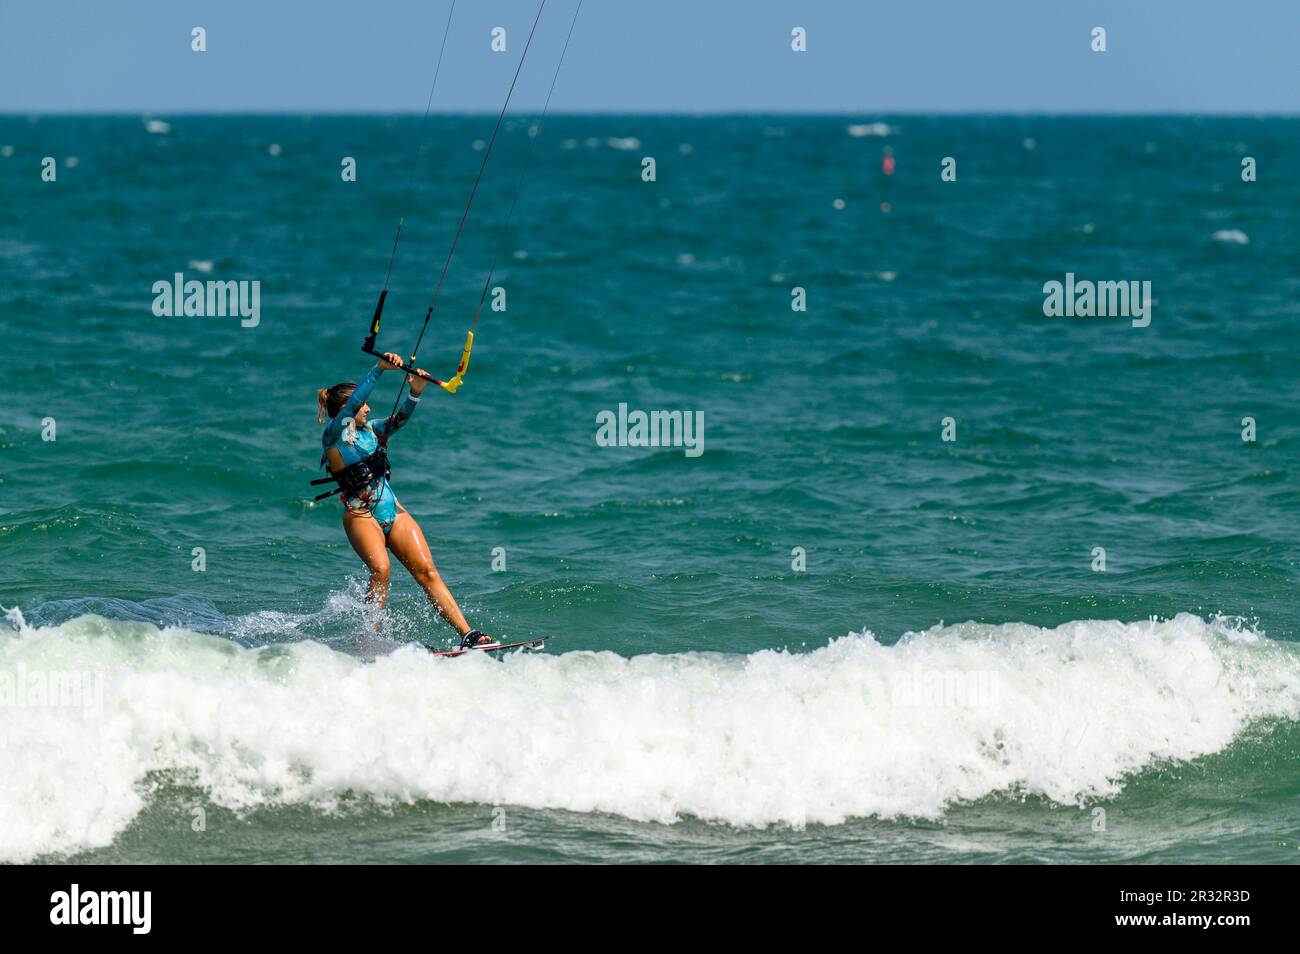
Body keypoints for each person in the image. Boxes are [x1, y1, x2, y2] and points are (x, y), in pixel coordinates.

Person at [316, 352, 492, 647]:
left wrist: (415, 392)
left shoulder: (371, 431)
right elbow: (353, 404)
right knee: (381, 570)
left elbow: (398, 420)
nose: (368, 409)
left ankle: (468, 634)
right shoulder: (333, 436)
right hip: (361, 516)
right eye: (362, 406)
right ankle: (368, 641)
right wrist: (379, 369)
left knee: (428, 571)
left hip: (393, 511)